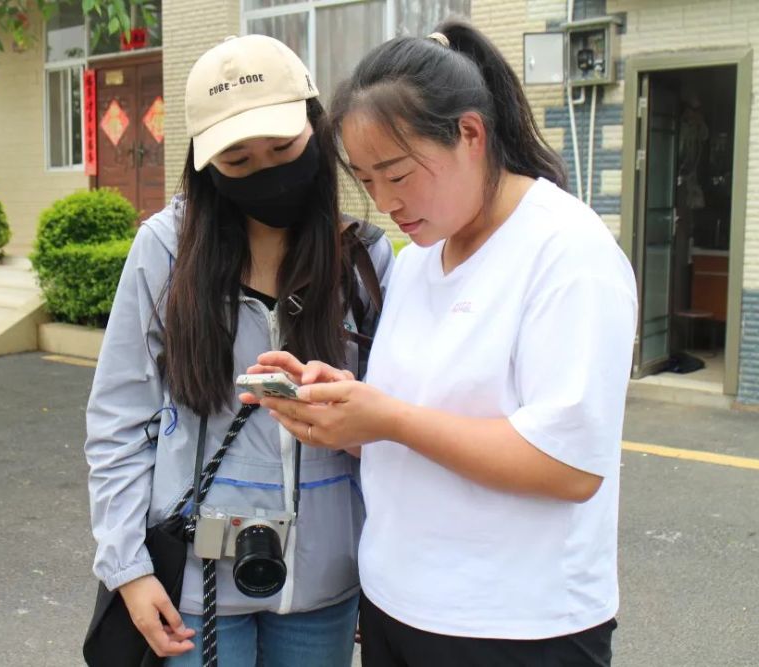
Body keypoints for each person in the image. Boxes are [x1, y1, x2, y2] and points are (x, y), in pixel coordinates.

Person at [244, 20, 638, 667]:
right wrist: (340, 410)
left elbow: (569, 465)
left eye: (398, 173)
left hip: (516, 627)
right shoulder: (421, 258)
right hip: (399, 605)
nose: (385, 201)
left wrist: (390, 417)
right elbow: (411, 420)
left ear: (471, 134)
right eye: (367, 180)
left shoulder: (567, 252)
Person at [84, 34, 393, 667]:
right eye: (238, 161)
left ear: (316, 125)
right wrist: (128, 569)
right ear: (203, 163)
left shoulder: (362, 257)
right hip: (193, 588)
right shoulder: (166, 251)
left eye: (283, 148)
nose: (266, 172)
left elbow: (390, 425)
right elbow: (118, 419)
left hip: (325, 584)